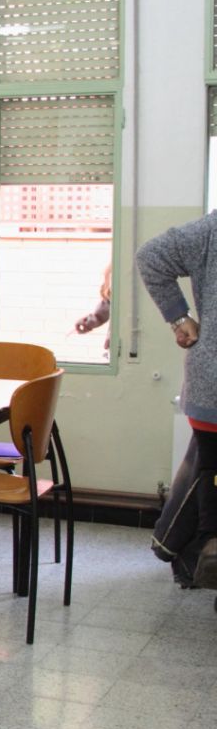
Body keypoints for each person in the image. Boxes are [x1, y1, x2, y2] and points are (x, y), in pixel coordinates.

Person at [138, 214, 217, 589]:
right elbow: (151, 257)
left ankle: (197, 560)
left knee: (211, 483)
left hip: (210, 382)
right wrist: (179, 317)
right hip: (212, 385)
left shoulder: (211, 229)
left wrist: (179, 318)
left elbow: (152, 256)